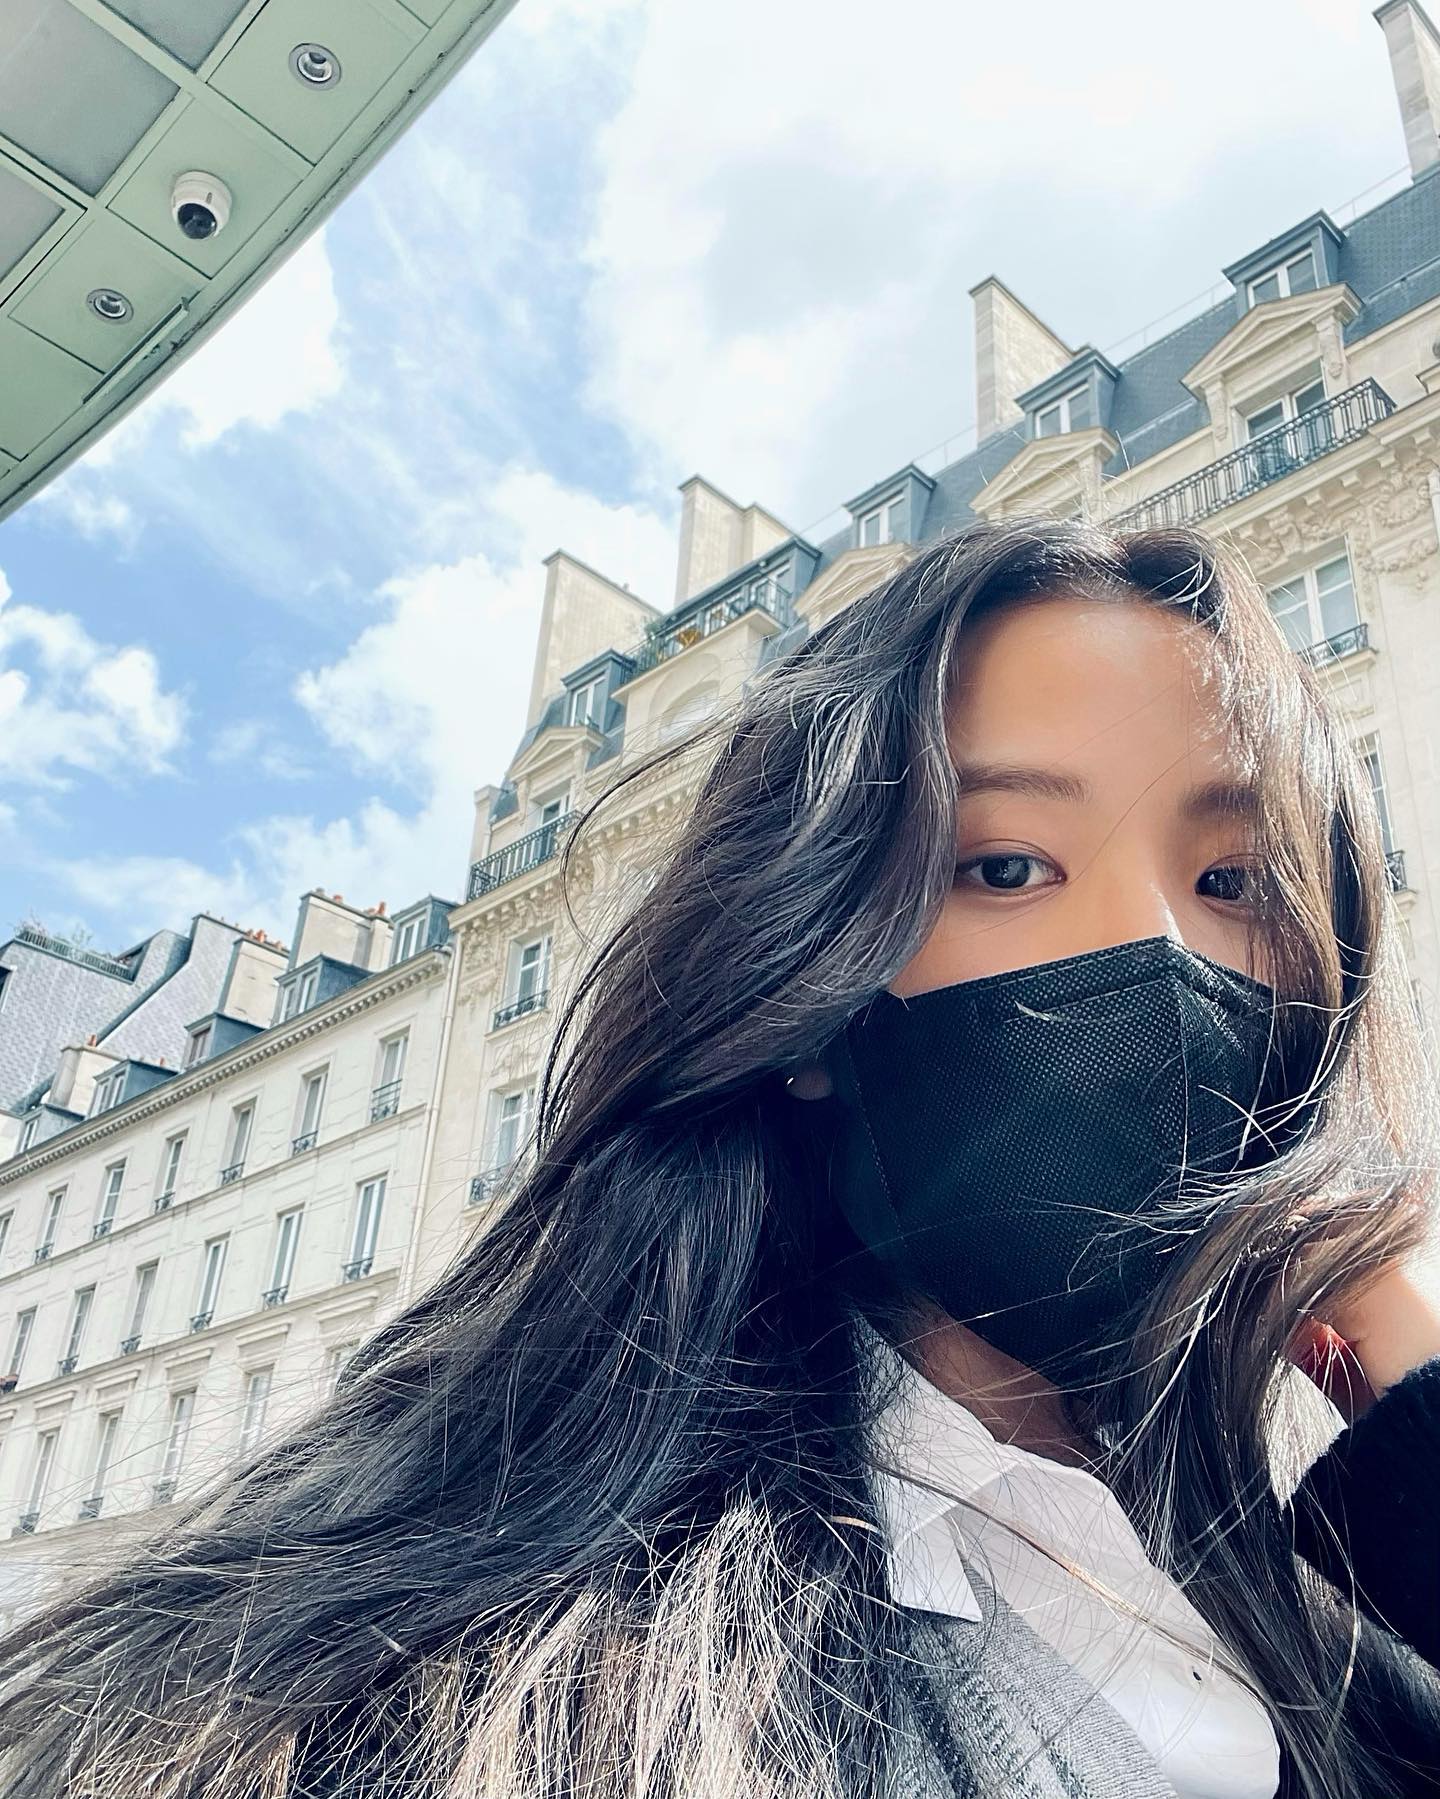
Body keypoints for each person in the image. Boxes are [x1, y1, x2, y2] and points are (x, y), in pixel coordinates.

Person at [3, 518, 1439, 1799]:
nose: (1153, 951)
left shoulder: (1331, 1577)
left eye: (1234, 882)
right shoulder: (487, 1683)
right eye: (1002, 866)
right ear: (807, 978)